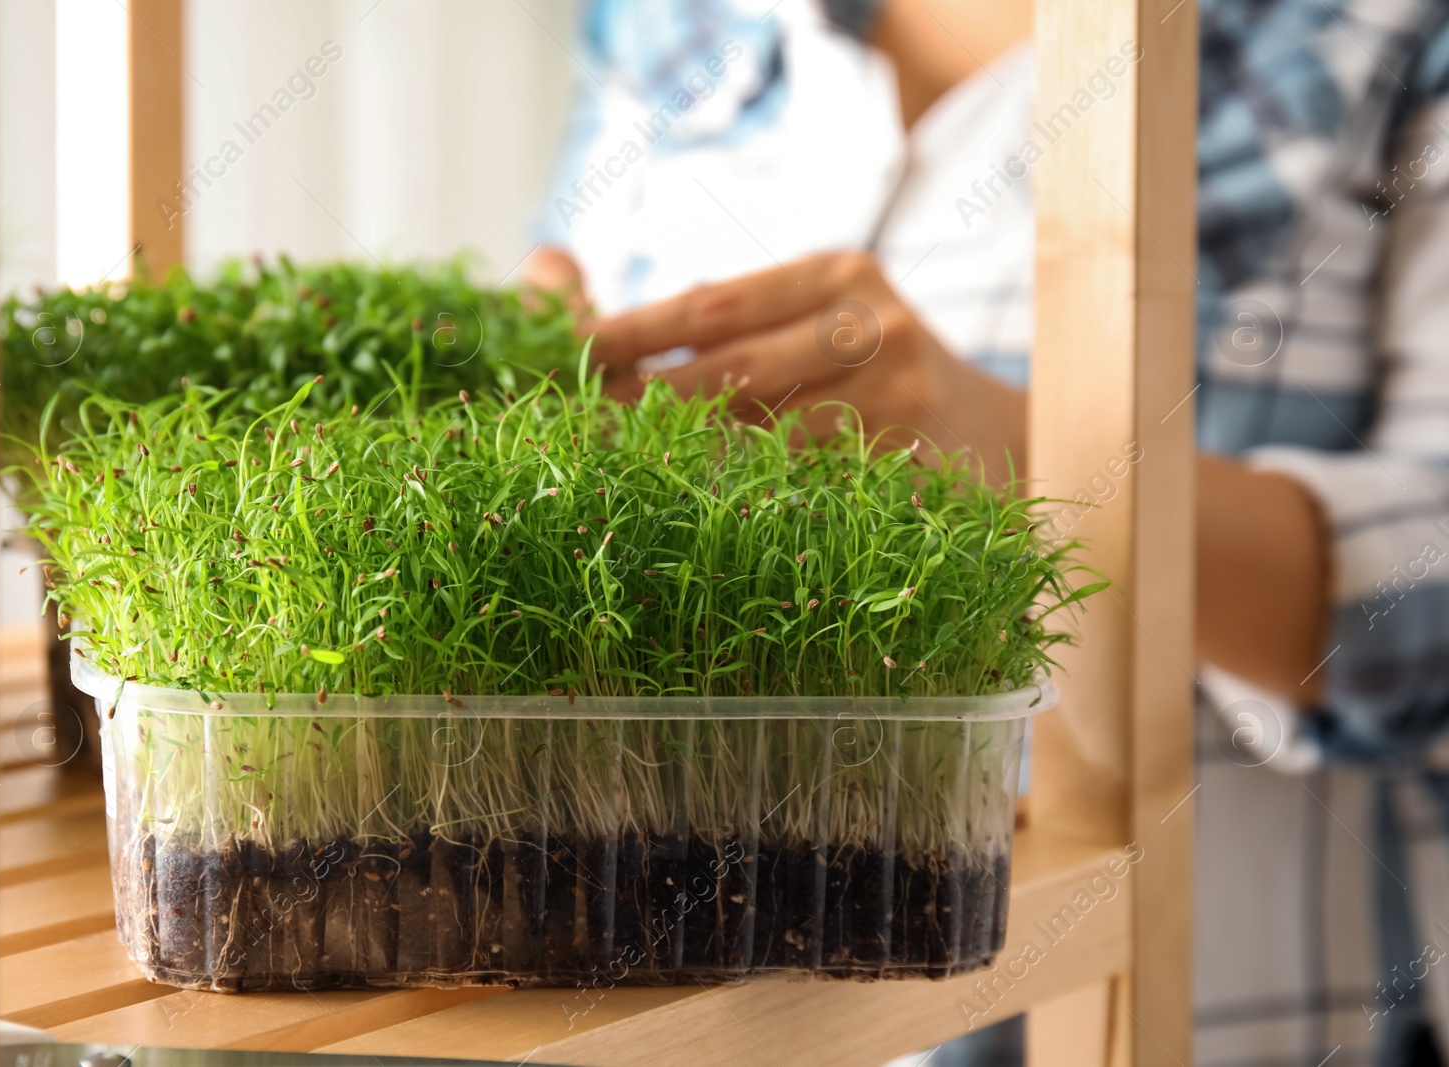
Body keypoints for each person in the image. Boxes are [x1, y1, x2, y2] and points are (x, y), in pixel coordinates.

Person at [527, 0, 1449, 1063]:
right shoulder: (664, 30)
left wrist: (1029, 456)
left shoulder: (1380, 36)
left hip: (1219, 1021)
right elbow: (557, 308)